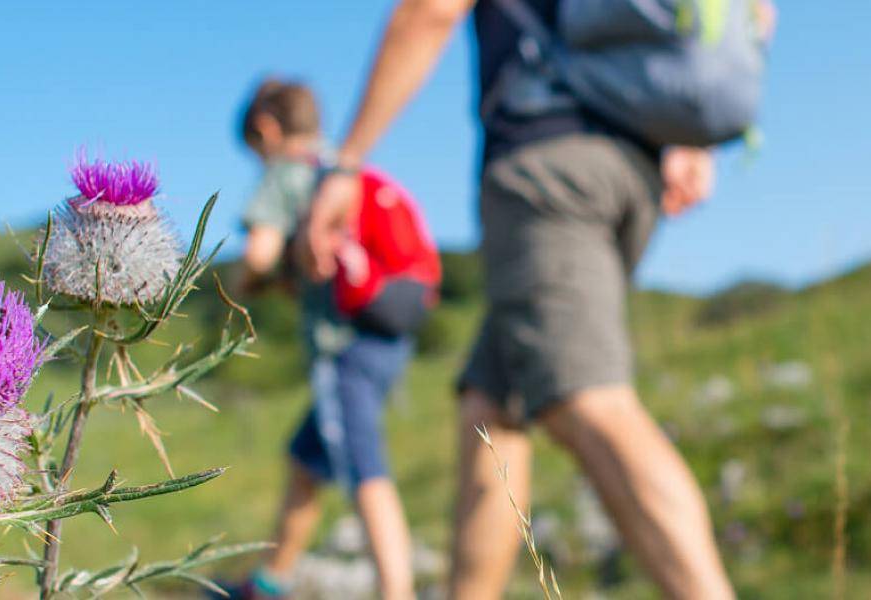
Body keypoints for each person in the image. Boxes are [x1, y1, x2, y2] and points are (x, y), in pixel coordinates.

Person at [297, 1, 775, 597]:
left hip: (549, 167)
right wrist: (688, 134)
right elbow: (755, 14)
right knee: (490, 410)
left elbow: (432, 9)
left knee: (586, 400)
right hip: (631, 169)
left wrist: (346, 164)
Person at [232, 78, 418, 600]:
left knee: (364, 468)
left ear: (268, 130)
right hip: (387, 335)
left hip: (343, 347)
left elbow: (258, 255)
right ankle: (269, 582)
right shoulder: (344, 167)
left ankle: (396, 592)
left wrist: (244, 283)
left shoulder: (287, 175)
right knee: (306, 461)